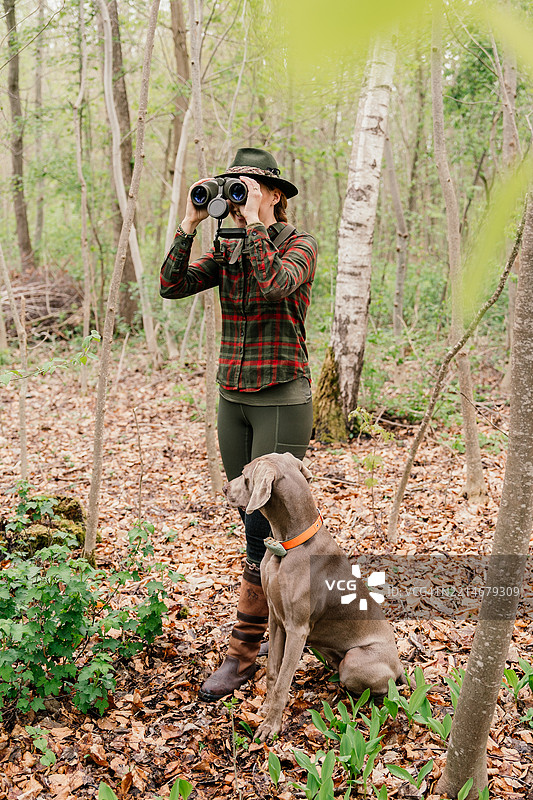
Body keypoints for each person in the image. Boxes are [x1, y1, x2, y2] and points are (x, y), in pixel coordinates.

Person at [160, 147, 318, 700]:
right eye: (235, 185)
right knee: (248, 521)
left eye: (251, 185)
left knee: (276, 526)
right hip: (234, 399)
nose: (242, 193)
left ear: (275, 194)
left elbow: (276, 283)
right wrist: (192, 221)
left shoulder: (300, 245)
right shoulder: (225, 245)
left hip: (281, 397)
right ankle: (267, 636)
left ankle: (249, 648)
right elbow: (171, 285)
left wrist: (252, 225)